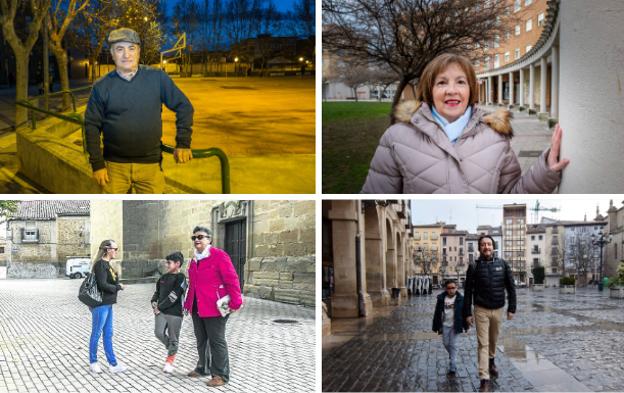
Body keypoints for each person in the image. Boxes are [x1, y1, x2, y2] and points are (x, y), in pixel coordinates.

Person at [361, 52, 570, 194]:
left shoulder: (496, 138)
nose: (452, 90)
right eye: (442, 82)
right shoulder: (396, 137)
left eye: (460, 82)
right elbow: (374, 194)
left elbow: (514, 193)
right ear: (429, 90)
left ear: (470, 89)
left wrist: (546, 170)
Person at [85, 27, 194, 194]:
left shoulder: (157, 78)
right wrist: (97, 164)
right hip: (114, 167)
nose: (126, 55)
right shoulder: (101, 86)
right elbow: (91, 125)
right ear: (112, 54)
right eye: (119, 49)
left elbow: (184, 106)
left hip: (150, 166)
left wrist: (183, 143)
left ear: (139, 51)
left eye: (131, 48)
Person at [183, 226, 243, 387]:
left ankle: (221, 375)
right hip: (197, 306)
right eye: (194, 237)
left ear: (209, 239)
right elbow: (193, 284)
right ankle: (203, 367)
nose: (196, 240)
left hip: (215, 306)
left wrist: (236, 301)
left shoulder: (219, 255)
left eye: (200, 237)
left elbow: (232, 279)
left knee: (217, 341)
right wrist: (188, 304)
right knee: (201, 340)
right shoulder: (194, 259)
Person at [463, 235, 517, 392]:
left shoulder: (503, 264)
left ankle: (491, 361)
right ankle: (484, 377)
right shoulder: (473, 267)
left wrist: (512, 308)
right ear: (479, 248)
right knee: (483, 343)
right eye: (483, 245)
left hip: (498, 309)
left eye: (489, 244)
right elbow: (467, 292)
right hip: (480, 309)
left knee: (493, 340)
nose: (486, 247)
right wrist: (467, 313)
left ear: (493, 247)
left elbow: (511, 287)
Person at [89, 240, 127, 374]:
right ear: (107, 250)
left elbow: (109, 282)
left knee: (108, 334)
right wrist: (118, 287)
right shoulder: (100, 265)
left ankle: (113, 364)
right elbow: (102, 285)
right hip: (100, 304)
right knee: (96, 333)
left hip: (108, 304)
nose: (116, 251)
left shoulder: (108, 265)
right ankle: (93, 362)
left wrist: (117, 283)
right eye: (115, 248)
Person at [151, 251, 187, 373]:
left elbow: (174, 296)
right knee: (158, 333)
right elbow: (157, 292)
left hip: (175, 313)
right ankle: (172, 347)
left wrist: (159, 307)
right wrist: (154, 302)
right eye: (167, 262)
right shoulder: (163, 278)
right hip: (161, 311)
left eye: (169, 263)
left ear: (177, 264)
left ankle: (169, 361)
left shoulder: (181, 278)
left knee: (173, 338)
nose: (167, 265)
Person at [432, 280, 466, 375]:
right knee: (446, 343)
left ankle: (453, 365)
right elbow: (437, 313)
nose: (451, 290)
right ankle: (452, 355)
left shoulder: (461, 299)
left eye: (453, 288)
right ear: (446, 289)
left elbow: (466, 311)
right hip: (445, 325)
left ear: (456, 288)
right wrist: (436, 325)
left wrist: (467, 322)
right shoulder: (441, 298)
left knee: (453, 344)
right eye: (449, 288)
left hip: (456, 325)